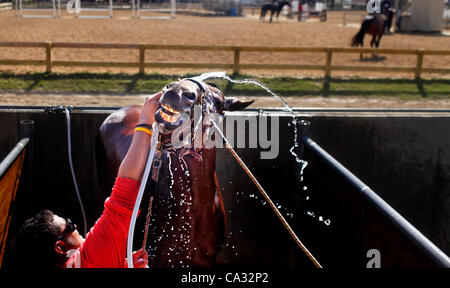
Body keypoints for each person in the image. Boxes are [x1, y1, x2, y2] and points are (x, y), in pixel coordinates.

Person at [13, 92, 163, 268]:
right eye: (69, 226)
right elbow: (124, 194)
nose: (75, 226)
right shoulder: (90, 255)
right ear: (61, 247)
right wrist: (145, 123)